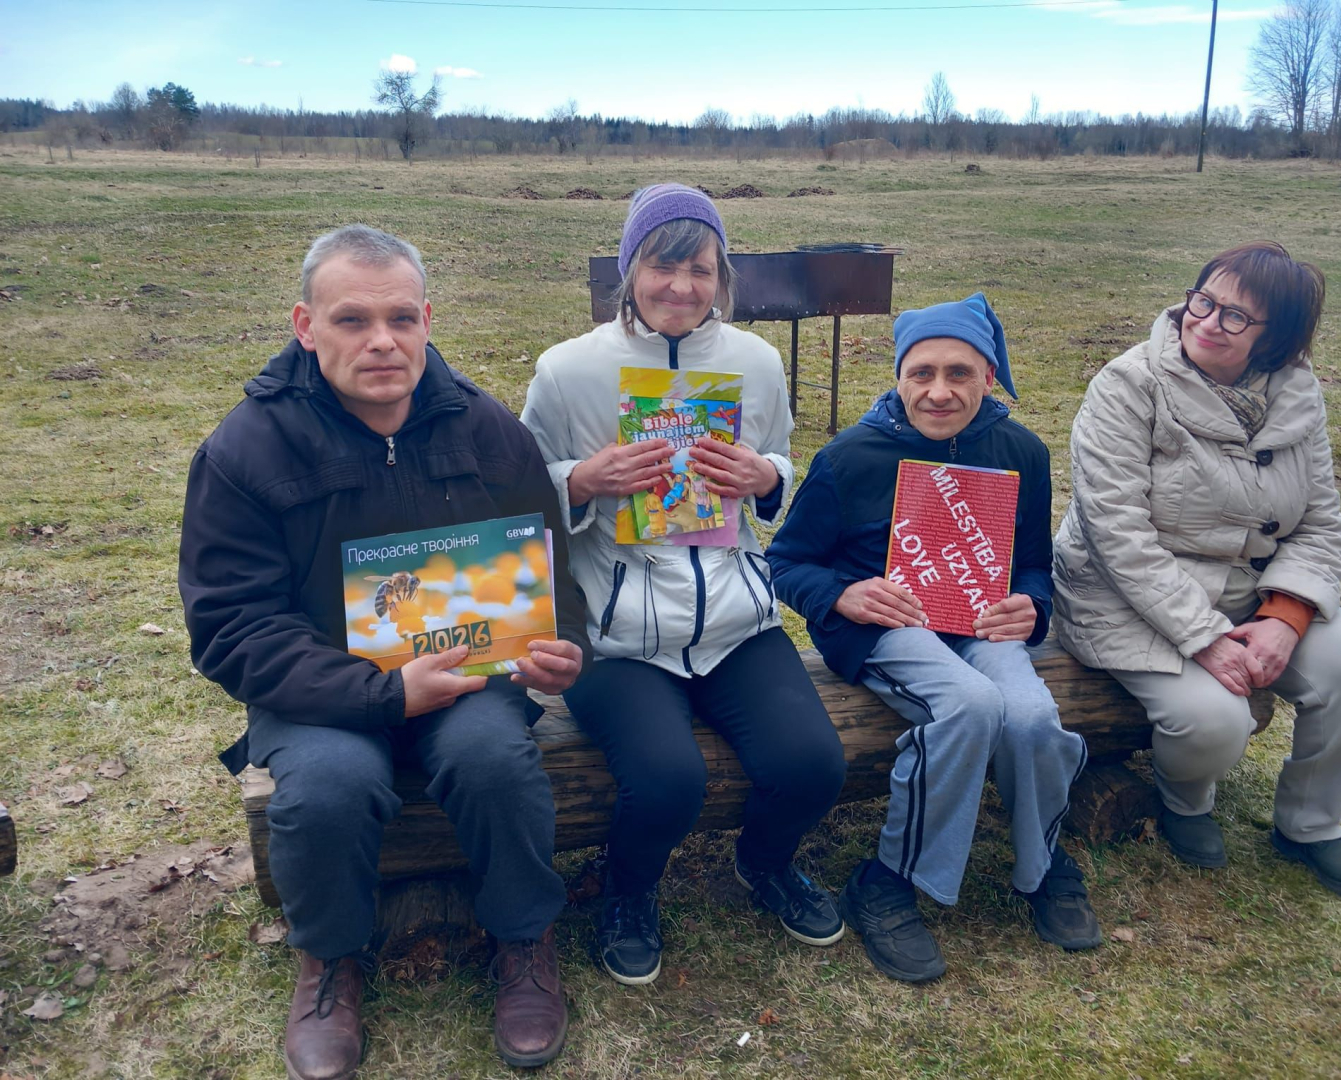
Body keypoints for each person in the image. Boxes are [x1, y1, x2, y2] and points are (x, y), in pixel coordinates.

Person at [179, 225, 589, 1077]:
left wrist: (561, 646)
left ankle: (522, 939)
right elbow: (232, 627)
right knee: (328, 784)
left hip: (470, 675)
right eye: (352, 319)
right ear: (305, 325)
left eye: (402, 318)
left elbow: (550, 570)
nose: (382, 341)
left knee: (493, 759)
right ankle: (329, 959)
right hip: (326, 689)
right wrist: (381, 694)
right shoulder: (246, 449)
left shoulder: (486, 428)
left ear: (428, 319)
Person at [521, 184, 847, 986]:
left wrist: (764, 475)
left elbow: (780, 468)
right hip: (615, 635)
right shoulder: (567, 371)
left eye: (699, 270)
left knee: (813, 763)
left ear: (721, 275)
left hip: (736, 622)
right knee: (669, 780)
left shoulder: (755, 362)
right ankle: (628, 892)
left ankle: (763, 864)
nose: (680, 288)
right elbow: (524, 500)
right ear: (630, 269)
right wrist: (582, 480)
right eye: (662, 268)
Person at [767, 294, 1102, 984]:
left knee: (1033, 714)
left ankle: (1041, 862)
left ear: (988, 374)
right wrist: (842, 595)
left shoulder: (1022, 452)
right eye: (921, 373)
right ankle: (888, 877)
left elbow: (1034, 561)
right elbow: (784, 562)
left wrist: (1032, 605)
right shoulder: (850, 456)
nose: (940, 392)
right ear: (898, 376)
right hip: (886, 628)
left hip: (977, 621)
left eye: (960, 373)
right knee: (969, 704)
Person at [1051, 242, 1341, 901]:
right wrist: (1203, 636)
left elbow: (1320, 521)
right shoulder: (1129, 386)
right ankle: (1185, 801)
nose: (1206, 321)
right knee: (1215, 722)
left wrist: (1286, 617)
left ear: (1278, 339)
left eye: (1236, 316)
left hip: (1255, 593)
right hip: (1127, 596)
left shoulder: (1296, 397)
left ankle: (1311, 824)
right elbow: (1117, 533)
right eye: (1203, 300)